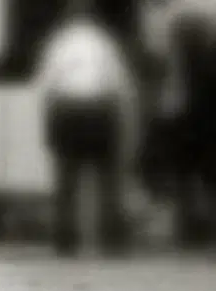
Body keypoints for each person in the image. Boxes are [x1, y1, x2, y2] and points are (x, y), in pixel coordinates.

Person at [35, 0, 139, 257]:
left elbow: (46, 85)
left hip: (68, 110)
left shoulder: (58, 43)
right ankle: (111, 236)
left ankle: (65, 237)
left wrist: (47, 122)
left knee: (67, 177)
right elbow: (120, 84)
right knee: (107, 177)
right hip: (98, 110)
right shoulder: (105, 42)